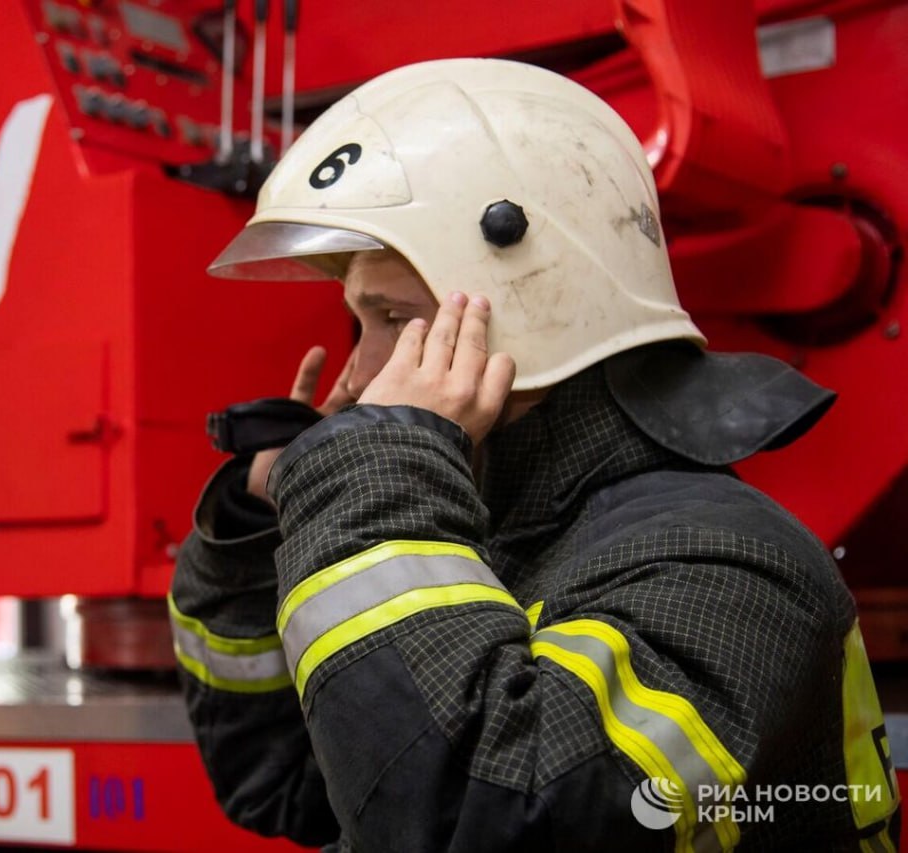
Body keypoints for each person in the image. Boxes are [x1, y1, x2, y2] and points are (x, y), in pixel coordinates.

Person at [167, 57, 901, 852]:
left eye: (394, 319)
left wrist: (373, 486)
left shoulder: (729, 567)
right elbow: (288, 783)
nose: (362, 371)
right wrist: (263, 525)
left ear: (535, 311)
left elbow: (484, 820)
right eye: (362, 323)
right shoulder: (486, 533)